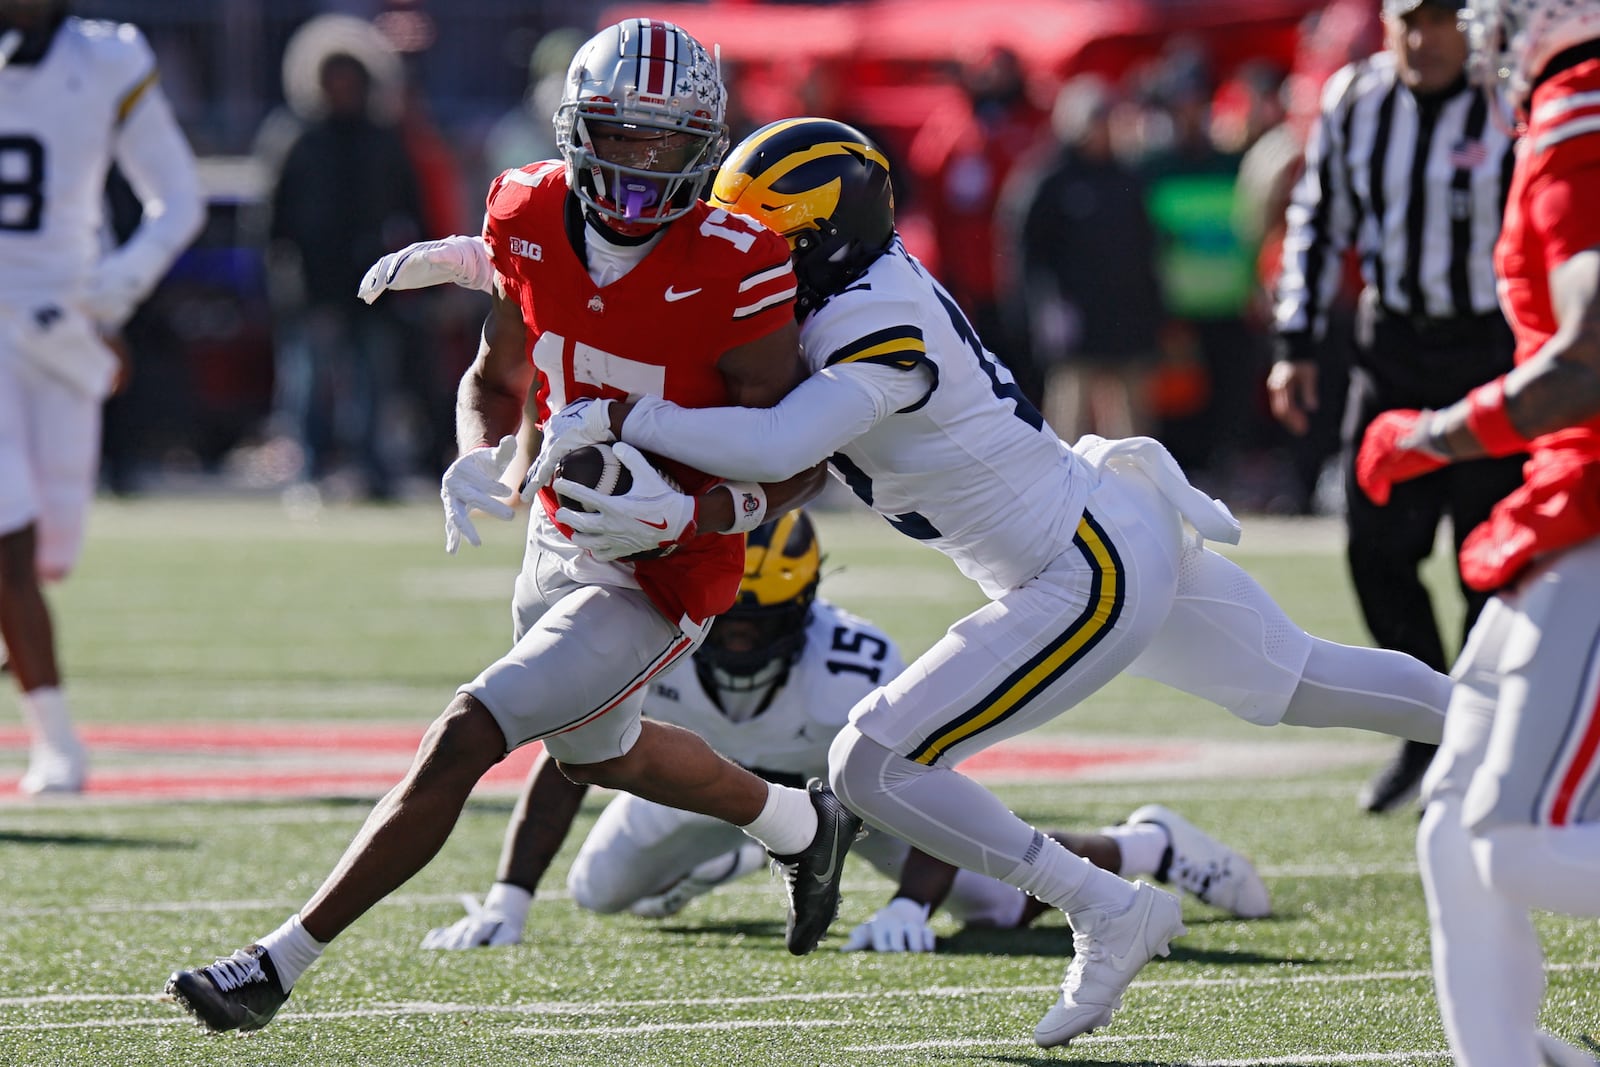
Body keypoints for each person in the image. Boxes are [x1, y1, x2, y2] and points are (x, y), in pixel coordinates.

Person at [518, 117, 1453, 1049]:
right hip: (1102, 524)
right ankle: (1528, 725)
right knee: (1301, 681)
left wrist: (622, 414)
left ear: (821, 238)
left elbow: (779, 446)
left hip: (1079, 567)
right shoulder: (833, 300)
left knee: (871, 763)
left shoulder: (867, 315)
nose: (740, 255)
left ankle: (1105, 907)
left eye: (764, 239)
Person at [164, 20, 856, 1035]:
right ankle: (801, 821)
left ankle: (277, 960)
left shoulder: (737, 260)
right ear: (577, 129)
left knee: (468, 730)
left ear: (701, 143)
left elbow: (800, 452)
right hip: (558, 525)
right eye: (618, 133)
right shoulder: (529, 209)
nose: (637, 160)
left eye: (662, 140)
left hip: (664, 567)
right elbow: (496, 376)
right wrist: (478, 452)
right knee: (598, 755)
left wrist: (696, 510)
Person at [419, 511, 1269, 953]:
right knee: (601, 891)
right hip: (706, 783)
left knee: (994, 902)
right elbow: (570, 755)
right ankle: (748, 842)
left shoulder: (851, 663)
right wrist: (510, 895)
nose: (743, 637)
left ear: (808, 602)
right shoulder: (650, 630)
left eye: (766, 619)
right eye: (734, 618)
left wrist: (907, 900)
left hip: (854, 804)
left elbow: (935, 778)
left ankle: (1149, 844)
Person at [1355, 1, 1600, 1061]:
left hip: (1591, 502)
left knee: (1511, 842)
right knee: (1453, 824)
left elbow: (1586, 358)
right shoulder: (1562, 111)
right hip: (1561, 501)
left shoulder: (1579, 122)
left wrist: (1432, 434)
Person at [1267, 0, 1526, 815]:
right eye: (1412, 19)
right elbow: (1316, 218)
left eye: (1445, 19)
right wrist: (1296, 344)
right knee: (1374, 547)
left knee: (1489, 557)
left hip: (1494, 350)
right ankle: (1428, 725)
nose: (1427, 37)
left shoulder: (1510, 99)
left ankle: (1489, 738)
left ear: (1473, 26)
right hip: (1393, 353)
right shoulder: (1357, 99)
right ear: (1389, 26)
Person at [0, 0, 203, 794]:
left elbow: (177, 199)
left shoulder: (108, 59)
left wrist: (114, 291)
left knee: (47, 554)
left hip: (63, 326)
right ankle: (57, 740)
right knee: (10, 544)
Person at [263, 23, 424, 503]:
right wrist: (275, 276)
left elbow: (411, 211)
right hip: (313, 281)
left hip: (374, 280)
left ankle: (374, 471)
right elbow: (273, 217)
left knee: (374, 382)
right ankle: (309, 470)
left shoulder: (383, 140)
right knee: (308, 380)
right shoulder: (295, 138)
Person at [998, 75, 1165, 441]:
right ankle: (1066, 485)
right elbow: (1027, 252)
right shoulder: (1049, 179)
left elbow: (1145, 246)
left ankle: (1131, 487)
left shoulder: (1126, 177)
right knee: (1071, 407)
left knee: (1132, 416)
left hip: (1126, 314)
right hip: (1074, 315)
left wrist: (1154, 308)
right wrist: (1043, 308)